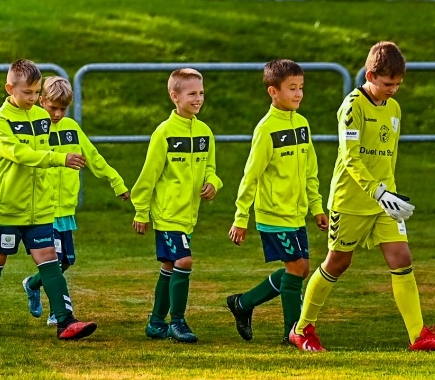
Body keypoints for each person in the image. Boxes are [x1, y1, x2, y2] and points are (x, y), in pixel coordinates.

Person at [290, 41, 435, 353]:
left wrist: (389, 195)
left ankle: (418, 336)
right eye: (387, 83)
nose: (393, 90)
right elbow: (351, 158)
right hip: (351, 201)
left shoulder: (394, 109)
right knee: (338, 262)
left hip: (384, 203)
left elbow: (388, 157)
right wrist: (377, 191)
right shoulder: (352, 106)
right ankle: (301, 329)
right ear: (370, 75)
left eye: (397, 84)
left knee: (401, 259)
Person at [0, 59, 98, 341]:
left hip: (40, 208)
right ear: (10, 88)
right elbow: (19, 154)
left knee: (50, 258)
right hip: (7, 206)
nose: (34, 99)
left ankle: (66, 321)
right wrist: (59, 158)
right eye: (28, 93)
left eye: (37, 93)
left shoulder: (41, 117)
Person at [226, 59, 327, 343]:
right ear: (273, 91)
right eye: (291, 88)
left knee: (302, 270)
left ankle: (243, 303)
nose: (298, 94)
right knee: (295, 268)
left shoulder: (302, 123)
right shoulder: (266, 129)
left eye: (301, 87)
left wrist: (317, 207)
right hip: (273, 214)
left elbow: (310, 171)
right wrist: (241, 217)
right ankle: (291, 334)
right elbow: (251, 176)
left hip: (296, 214)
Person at [22, 75, 129, 325]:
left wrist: (117, 182)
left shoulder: (72, 128)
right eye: (53, 107)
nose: (58, 114)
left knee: (68, 260)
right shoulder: (35, 128)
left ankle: (32, 284)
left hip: (65, 208)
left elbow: (93, 156)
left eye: (63, 109)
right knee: (54, 259)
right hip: (43, 207)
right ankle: (57, 312)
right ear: (41, 101)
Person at [130, 67, 222, 343]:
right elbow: (149, 175)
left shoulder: (205, 132)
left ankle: (156, 322)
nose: (198, 99)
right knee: (184, 260)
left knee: (171, 266)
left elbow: (212, 169)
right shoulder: (164, 133)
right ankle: (178, 322)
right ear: (175, 96)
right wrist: (140, 211)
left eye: (201, 93)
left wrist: (213, 183)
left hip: (189, 215)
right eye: (192, 93)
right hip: (168, 215)